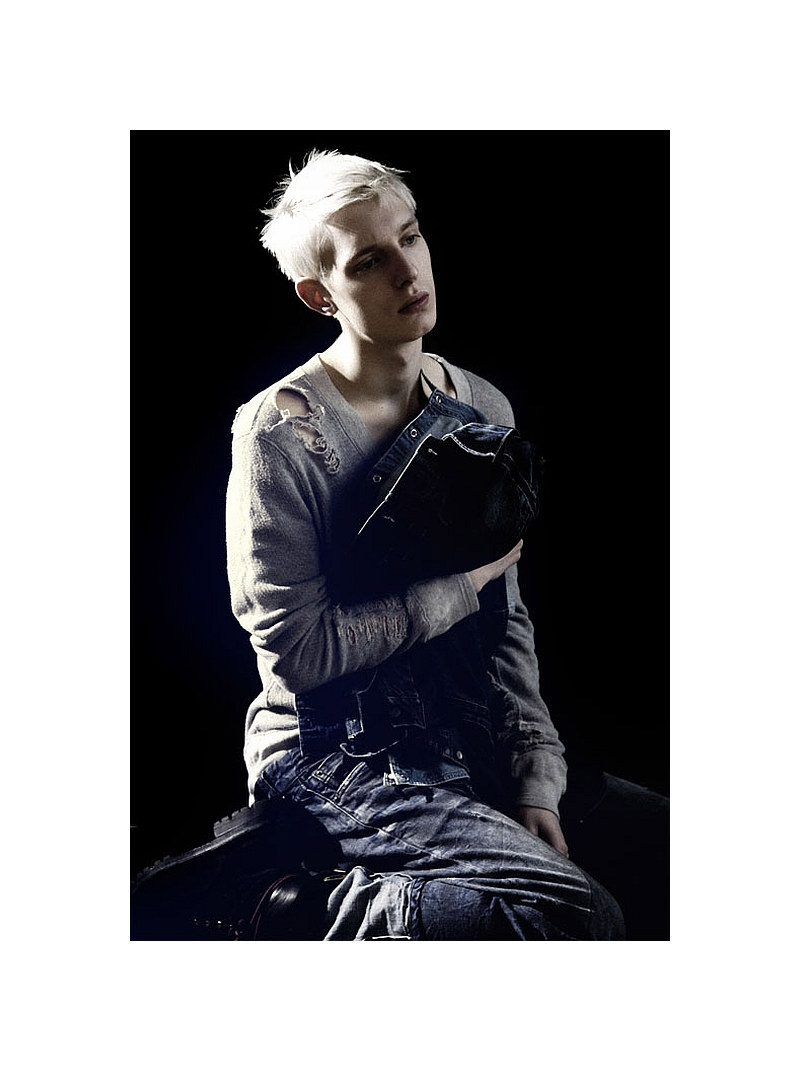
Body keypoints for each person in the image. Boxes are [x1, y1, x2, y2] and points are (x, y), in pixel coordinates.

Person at [224, 148, 631, 940]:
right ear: (319, 294)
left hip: (459, 733)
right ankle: (335, 909)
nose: (407, 272)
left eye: (410, 237)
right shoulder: (279, 433)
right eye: (368, 261)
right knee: (581, 912)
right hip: (332, 758)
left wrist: (535, 775)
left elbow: (506, 626)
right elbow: (298, 654)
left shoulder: (482, 405)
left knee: (661, 852)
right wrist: (458, 588)